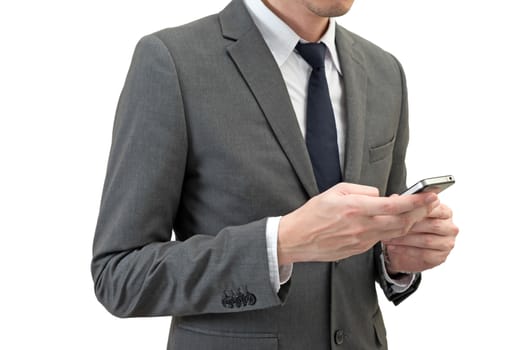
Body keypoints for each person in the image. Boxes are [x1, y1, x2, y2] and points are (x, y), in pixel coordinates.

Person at [91, 0, 459, 349]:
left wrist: (399, 257)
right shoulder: (173, 61)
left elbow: (377, 234)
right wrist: (279, 245)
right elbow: (120, 275)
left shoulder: (385, 72)